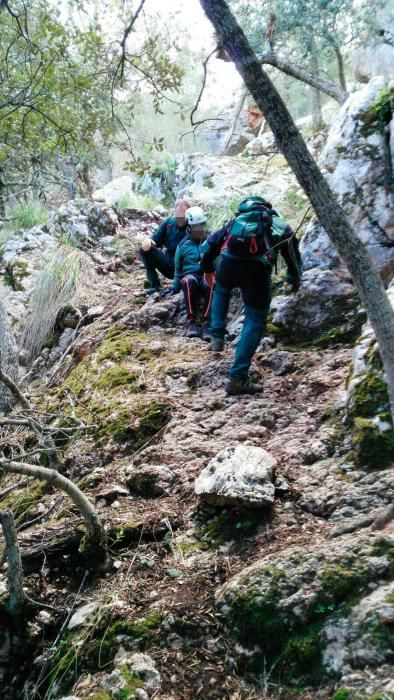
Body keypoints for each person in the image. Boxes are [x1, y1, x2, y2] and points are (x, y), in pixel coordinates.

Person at [200, 195, 302, 396]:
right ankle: (237, 377)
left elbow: (210, 246)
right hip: (256, 271)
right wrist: (294, 279)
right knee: (254, 320)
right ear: (267, 208)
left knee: (221, 289)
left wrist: (208, 268)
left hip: (228, 265)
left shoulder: (233, 223)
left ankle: (217, 336)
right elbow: (292, 256)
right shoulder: (278, 224)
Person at [170, 206, 213, 340]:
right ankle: (191, 321)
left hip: (207, 274)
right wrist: (175, 288)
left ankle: (207, 323)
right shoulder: (182, 245)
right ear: (189, 227)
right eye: (196, 227)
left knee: (212, 284)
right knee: (189, 281)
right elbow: (178, 270)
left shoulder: (212, 240)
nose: (200, 229)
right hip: (190, 276)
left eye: (201, 225)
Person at [138, 199, 191, 293]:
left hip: (184, 269)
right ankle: (154, 285)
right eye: (178, 216)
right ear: (174, 212)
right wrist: (148, 241)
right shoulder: (169, 223)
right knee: (144, 249)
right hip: (168, 265)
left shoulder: (193, 227)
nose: (180, 219)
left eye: (183, 216)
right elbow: (155, 240)